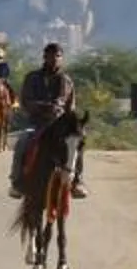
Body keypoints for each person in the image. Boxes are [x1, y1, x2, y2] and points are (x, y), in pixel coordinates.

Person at [9, 41, 87, 197]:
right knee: (22, 142)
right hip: (37, 123)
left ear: (62, 58)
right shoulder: (32, 78)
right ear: (44, 57)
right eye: (51, 56)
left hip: (59, 124)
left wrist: (63, 114)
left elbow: (68, 103)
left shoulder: (66, 80)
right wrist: (42, 107)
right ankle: (17, 182)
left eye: (58, 56)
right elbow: (26, 100)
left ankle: (77, 181)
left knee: (76, 142)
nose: (54, 59)